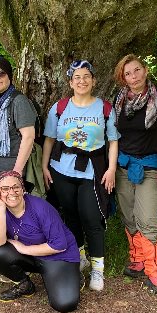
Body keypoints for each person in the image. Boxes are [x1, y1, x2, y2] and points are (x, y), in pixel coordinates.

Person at [42, 60, 118, 292]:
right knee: (70, 215)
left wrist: (111, 169)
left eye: (86, 76)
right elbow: (49, 139)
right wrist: (45, 166)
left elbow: (113, 141)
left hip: (92, 171)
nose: (82, 81)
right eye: (77, 77)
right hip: (61, 168)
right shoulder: (60, 107)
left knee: (92, 218)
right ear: (70, 82)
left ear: (94, 80)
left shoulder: (104, 108)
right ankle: (81, 255)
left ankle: (97, 268)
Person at [114, 54, 157, 294]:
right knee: (128, 215)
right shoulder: (120, 99)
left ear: (145, 70)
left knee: (147, 218)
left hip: (153, 167)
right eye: (127, 73)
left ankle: (155, 270)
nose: (133, 77)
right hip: (124, 165)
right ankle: (137, 258)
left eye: (136, 70)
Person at [0, 170, 81, 312]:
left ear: (23, 189)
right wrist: (1, 209)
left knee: (65, 304)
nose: (11, 192)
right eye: (5, 189)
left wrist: (23, 249)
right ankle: (25, 285)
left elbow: (60, 245)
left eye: (16, 187)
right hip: (34, 256)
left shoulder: (41, 208)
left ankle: (71, 275)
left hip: (59, 257)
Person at [0, 54, 37, 190]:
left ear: (9, 76)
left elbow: (28, 137)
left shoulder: (18, 101)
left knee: (11, 211)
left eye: (1, 73)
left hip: (11, 173)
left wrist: (16, 172)